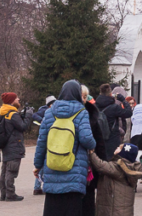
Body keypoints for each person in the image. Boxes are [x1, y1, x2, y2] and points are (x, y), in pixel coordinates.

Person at [33, 80, 96, 216]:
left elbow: (42, 141)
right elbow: (86, 138)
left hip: (52, 167)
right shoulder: (81, 112)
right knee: (72, 208)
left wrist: (38, 165)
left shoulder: (50, 113)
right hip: (74, 169)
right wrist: (93, 146)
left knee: (53, 208)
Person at [88, 143, 142, 215]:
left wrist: (92, 153)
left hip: (115, 209)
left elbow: (100, 165)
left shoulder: (119, 167)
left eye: (120, 148)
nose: (117, 147)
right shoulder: (129, 168)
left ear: (123, 153)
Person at [0, 92, 30, 201]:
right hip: (14, 145)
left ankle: (4, 193)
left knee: (5, 171)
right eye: (16, 98)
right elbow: (23, 126)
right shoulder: (13, 114)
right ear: (12, 101)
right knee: (11, 171)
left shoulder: (3, 112)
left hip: (6, 146)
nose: (18, 99)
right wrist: (29, 115)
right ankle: (10, 194)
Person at [81, 83, 107, 215]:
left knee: (88, 199)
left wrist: (102, 165)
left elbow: (99, 141)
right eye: (81, 96)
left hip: (88, 164)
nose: (83, 99)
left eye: (85, 96)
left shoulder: (92, 114)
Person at [96, 84, 132, 157]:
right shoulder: (114, 108)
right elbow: (128, 112)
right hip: (112, 140)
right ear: (110, 94)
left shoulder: (95, 106)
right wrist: (123, 100)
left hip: (99, 140)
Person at [30, 95, 56, 195]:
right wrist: (42, 121)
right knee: (43, 165)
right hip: (48, 140)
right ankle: (39, 186)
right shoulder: (45, 111)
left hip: (48, 139)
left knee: (41, 165)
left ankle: (37, 187)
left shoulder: (51, 111)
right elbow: (34, 115)